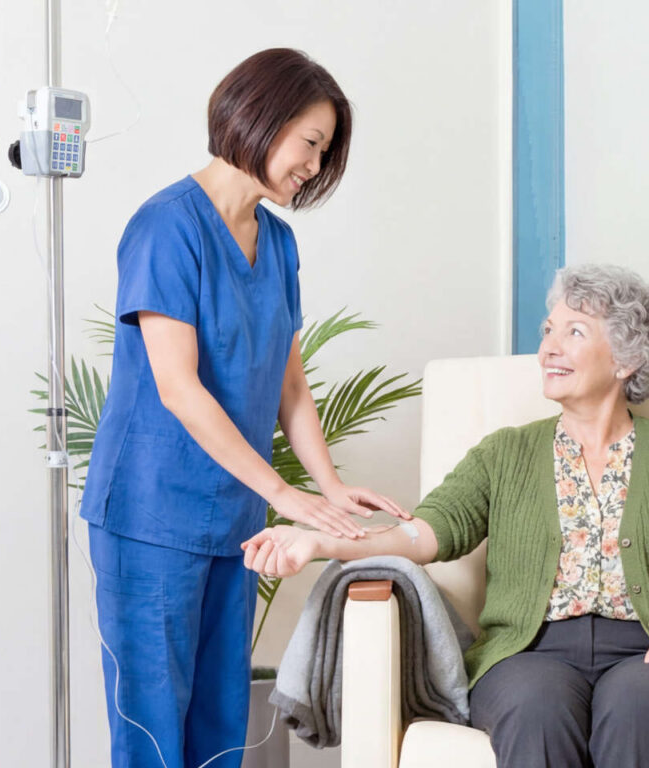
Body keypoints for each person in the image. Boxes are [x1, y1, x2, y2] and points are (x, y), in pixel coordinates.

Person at [241, 263, 649, 768]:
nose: (548, 349)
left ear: (627, 359)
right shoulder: (505, 453)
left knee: (636, 710)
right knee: (536, 711)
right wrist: (321, 543)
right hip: (528, 654)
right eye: (547, 330)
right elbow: (424, 533)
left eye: (574, 332)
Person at [79, 48, 409, 768]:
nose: (314, 167)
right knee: (152, 729)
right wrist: (284, 493)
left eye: (324, 153)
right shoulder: (166, 227)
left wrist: (327, 486)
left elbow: (290, 388)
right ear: (261, 118)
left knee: (220, 722)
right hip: (149, 516)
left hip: (233, 518)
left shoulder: (279, 243)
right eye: (311, 144)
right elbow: (178, 387)